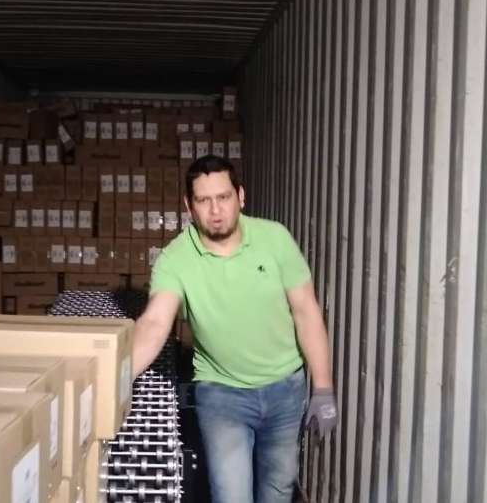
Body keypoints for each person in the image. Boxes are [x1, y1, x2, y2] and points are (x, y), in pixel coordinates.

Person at [131, 154, 338, 503]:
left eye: (224, 197)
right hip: (221, 394)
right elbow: (154, 322)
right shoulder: (176, 259)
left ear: (240, 196)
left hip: (285, 390)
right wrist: (116, 378)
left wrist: (323, 388)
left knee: (277, 491)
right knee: (231, 495)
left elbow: (306, 311)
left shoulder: (275, 239)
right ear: (189, 206)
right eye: (203, 200)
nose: (216, 210)